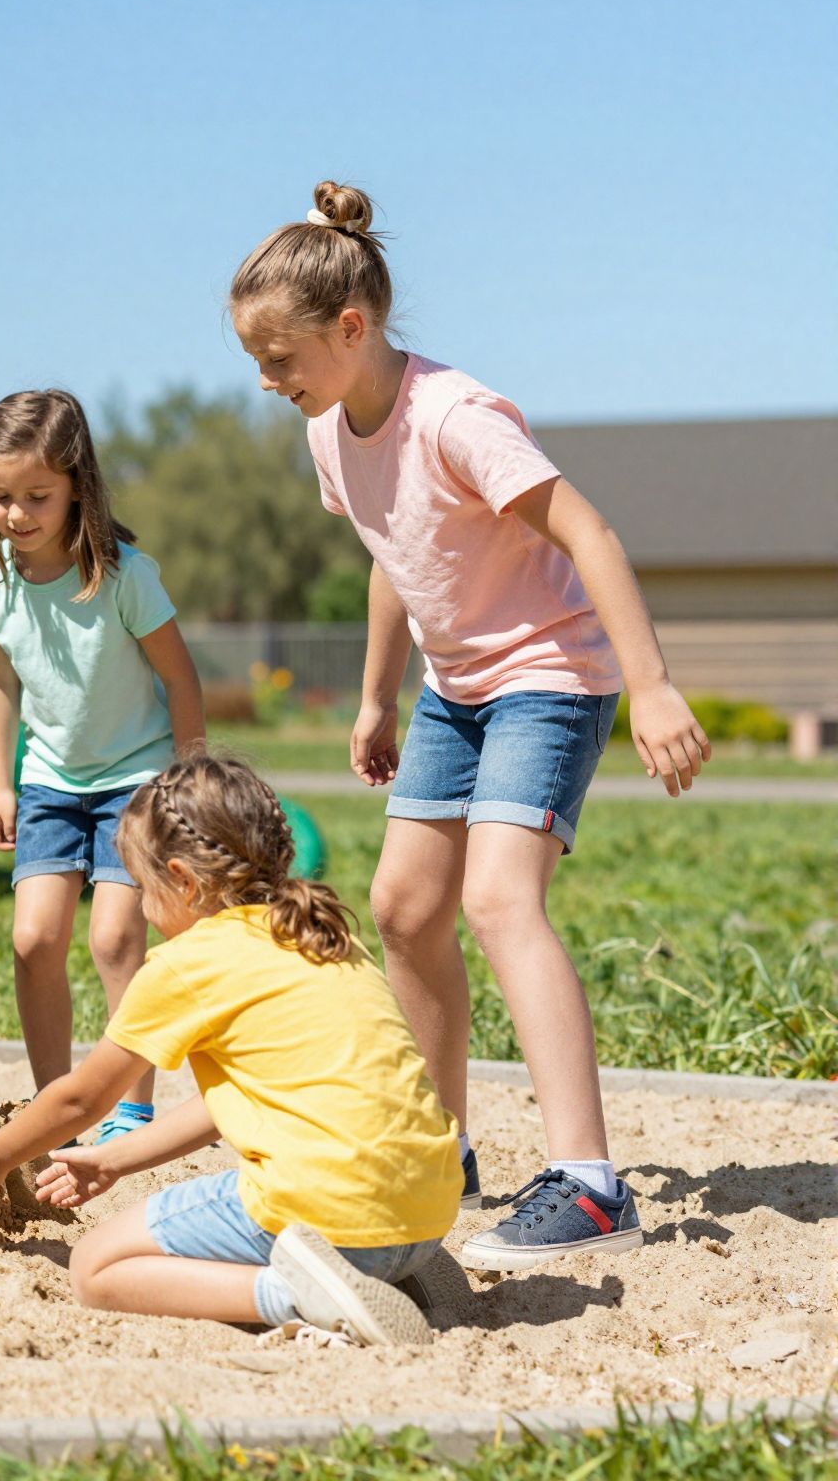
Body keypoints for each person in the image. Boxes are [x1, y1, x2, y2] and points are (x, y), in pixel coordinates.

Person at [228, 181, 711, 1269]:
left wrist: (652, 685)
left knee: (497, 899)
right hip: (453, 692)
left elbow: (586, 532)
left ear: (349, 329)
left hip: (547, 673)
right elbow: (396, 557)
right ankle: (438, 1155)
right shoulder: (328, 432)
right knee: (401, 907)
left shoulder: (455, 415)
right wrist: (372, 696)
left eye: (279, 358)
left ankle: (588, 1185)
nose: (266, 380)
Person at [0, 754, 460, 1347]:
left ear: (183, 880)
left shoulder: (190, 963)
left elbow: (82, 1099)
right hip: (426, 1210)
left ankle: (300, 1294)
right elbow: (227, 1109)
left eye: (141, 889)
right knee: (334, 1212)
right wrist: (111, 1161)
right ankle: (394, 1273)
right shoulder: (323, 932)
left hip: (330, 1207)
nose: (144, 910)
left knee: (98, 1268)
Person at [0, 389, 205, 1141]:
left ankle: (129, 1105)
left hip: (138, 780)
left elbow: (180, 678)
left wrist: (188, 784)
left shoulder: (124, 576)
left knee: (113, 941)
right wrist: (2, 781)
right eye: (1, 496)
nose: (18, 514)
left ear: (78, 489)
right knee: (33, 939)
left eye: (38, 496)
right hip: (49, 782)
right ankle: (56, 1103)